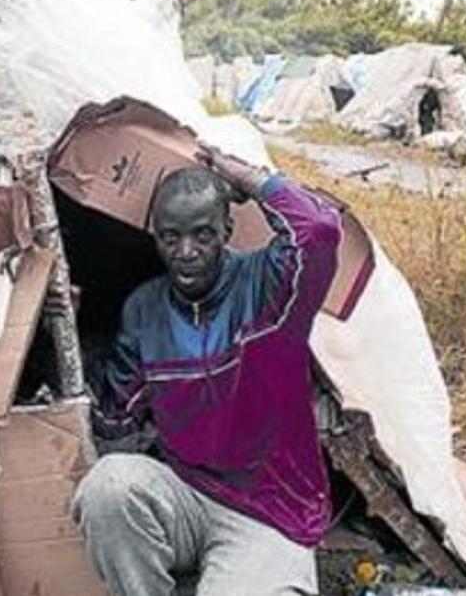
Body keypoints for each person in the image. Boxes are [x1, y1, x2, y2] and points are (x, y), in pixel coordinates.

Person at [70, 146, 343, 596]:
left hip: (269, 511)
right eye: (170, 238)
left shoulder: (269, 288)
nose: (186, 252)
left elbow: (319, 229)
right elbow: (115, 424)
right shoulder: (145, 310)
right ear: (154, 237)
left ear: (227, 231)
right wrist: (69, 326)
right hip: (187, 494)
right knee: (107, 488)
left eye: (203, 235)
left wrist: (250, 179)